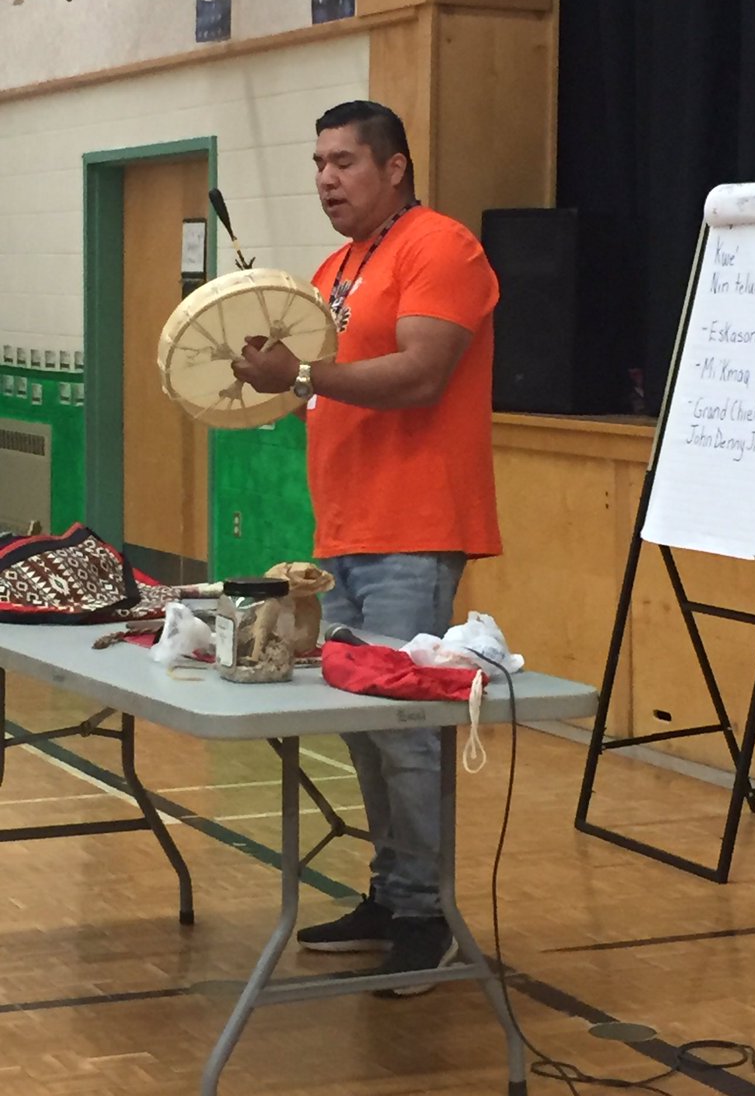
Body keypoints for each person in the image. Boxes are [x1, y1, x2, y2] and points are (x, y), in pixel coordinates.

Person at [231, 100, 502, 995]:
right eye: (317, 163)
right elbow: (317, 383)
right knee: (360, 728)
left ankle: (429, 919)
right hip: (342, 532)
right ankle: (391, 896)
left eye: (343, 162)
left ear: (394, 168)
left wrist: (301, 371)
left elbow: (422, 374)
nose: (324, 180)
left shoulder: (443, 249)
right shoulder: (337, 267)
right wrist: (264, 369)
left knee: (408, 734)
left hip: (414, 531)